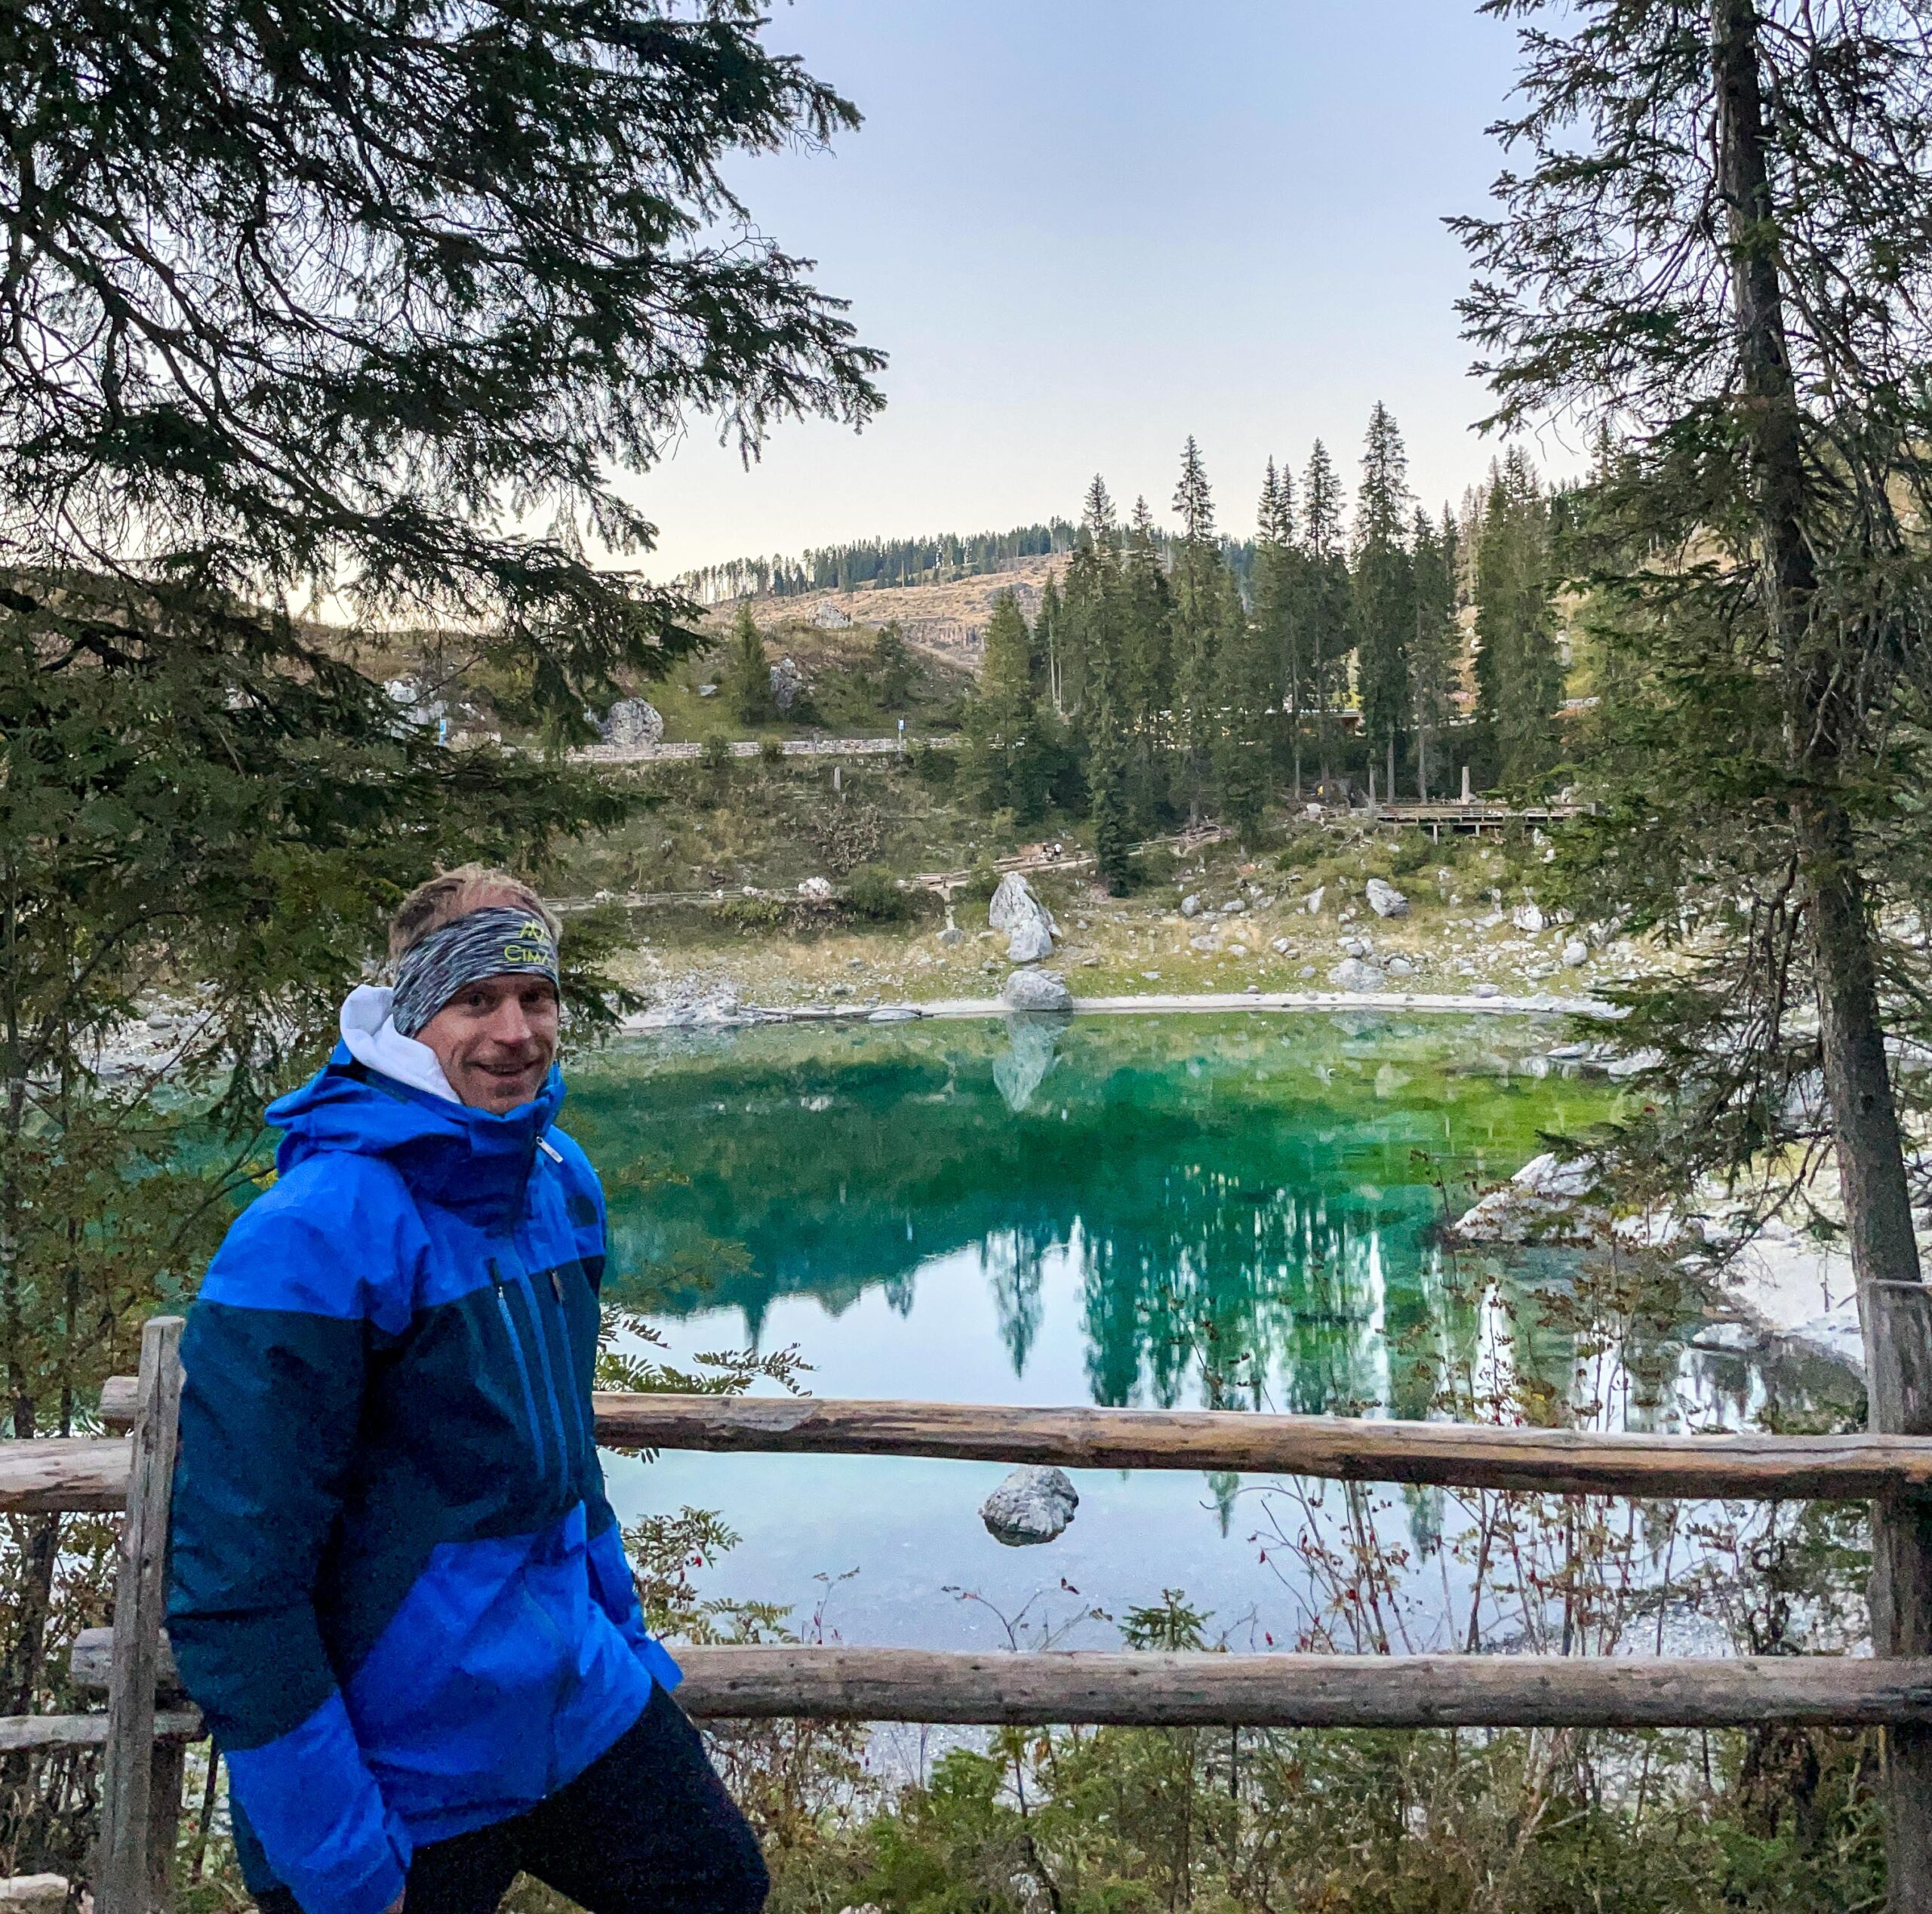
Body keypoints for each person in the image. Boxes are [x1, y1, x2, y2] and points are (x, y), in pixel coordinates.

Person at [168, 868, 768, 1914]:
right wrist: (339, 1861)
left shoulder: (555, 1180)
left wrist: (629, 1654)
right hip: (399, 1762)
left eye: (535, 999)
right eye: (474, 1001)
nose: (514, 1031)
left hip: (574, 1704)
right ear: (410, 1014)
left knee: (718, 1886)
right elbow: (235, 1587)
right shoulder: (314, 1235)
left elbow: (564, 1468)